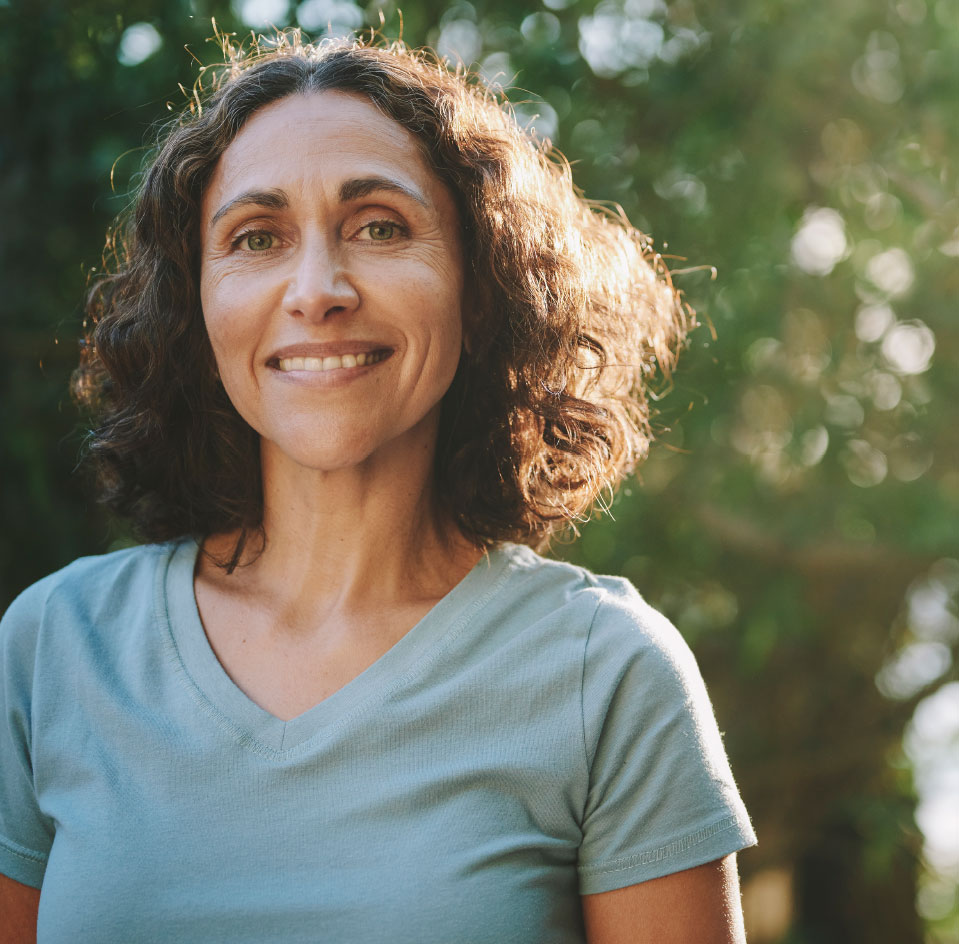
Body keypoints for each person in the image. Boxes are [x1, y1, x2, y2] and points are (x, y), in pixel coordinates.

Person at [0, 34, 755, 943]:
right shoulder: (53, 651)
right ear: (196, 307)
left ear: (481, 286)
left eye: (380, 227)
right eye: (256, 238)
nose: (316, 290)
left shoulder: (607, 671)